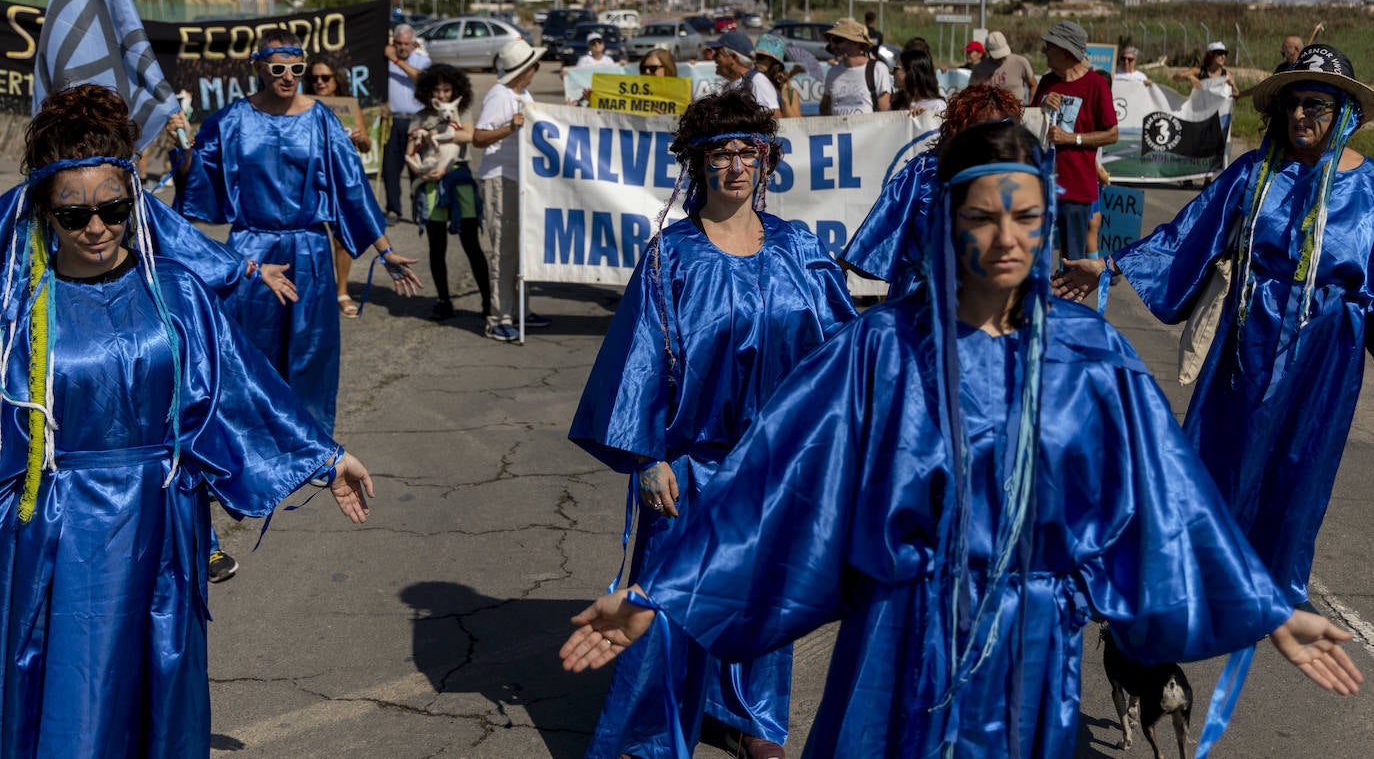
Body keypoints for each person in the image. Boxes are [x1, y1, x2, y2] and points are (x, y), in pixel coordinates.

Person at [560, 120, 1362, 757]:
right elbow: (774, 487)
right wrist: (658, 593)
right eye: (983, 216)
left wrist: (1267, 610)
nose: (1008, 238)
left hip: (1030, 644)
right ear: (949, 221)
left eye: (1026, 216)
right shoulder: (879, 351)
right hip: (899, 632)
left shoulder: (1091, 357)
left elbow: (1168, 504)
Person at [0, 84, 377, 757]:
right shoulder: (18, 310)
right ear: (42, 214)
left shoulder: (176, 292)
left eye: (114, 209)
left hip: (164, 523)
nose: (96, 228)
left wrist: (324, 457)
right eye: (73, 215)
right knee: (76, 700)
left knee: (160, 690)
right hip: (62, 532)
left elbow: (241, 388)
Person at [570, 90, 856, 759]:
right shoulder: (672, 256)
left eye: (748, 152)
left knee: (762, 597)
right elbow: (635, 363)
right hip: (689, 467)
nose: (736, 166)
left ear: (767, 160)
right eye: (721, 152)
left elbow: (844, 354)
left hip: (772, 465)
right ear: (695, 164)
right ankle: (649, 739)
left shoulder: (798, 249)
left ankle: (754, 719)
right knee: (667, 612)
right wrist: (646, 458)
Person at [1055, 44, 1374, 610]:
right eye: (1293, 103)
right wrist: (1108, 264)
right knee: (1224, 450)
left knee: (1303, 461)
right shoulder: (1254, 173)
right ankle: (1197, 570)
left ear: (1344, 112)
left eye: (1317, 105)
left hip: (1329, 352)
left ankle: (1276, 585)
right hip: (1250, 341)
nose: (1302, 115)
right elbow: (1188, 233)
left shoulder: (1370, 189)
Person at [169, 27, 422, 432]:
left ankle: (308, 441)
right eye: (279, 67)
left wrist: (385, 250)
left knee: (311, 352)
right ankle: (251, 441)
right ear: (259, 67)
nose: (289, 76)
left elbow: (352, 187)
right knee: (250, 349)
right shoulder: (233, 119)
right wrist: (182, 150)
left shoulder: (320, 119)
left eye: (297, 68)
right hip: (252, 246)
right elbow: (197, 175)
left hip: (309, 250)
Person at [841, 82, 1024, 298]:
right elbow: (882, 224)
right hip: (921, 296)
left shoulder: (1017, 178)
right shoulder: (923, 172)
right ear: (964, 126)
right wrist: (839, 268)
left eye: (1005, 127)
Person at [473, 40, 552, 341]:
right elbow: (479, 137)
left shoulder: (522, 93)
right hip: (500, 179)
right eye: (534, 65)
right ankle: (498, 317)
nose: (536, 70)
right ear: (525, 69)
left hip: (520, 181)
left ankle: (520, 311)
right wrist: (509, 127)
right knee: (503, 251)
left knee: (521, 249)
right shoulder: (499, 95)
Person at [403, 64, 491, 322]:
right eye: (437, 89)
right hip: (430, 184)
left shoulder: (462, 110)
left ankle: (488, 299)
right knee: (436, 245)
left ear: (456, 90)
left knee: (471, 243)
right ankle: (443, 300)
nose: (442, 95)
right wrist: (420, 173)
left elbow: (470, 135)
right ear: (427, 91)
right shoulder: (419, 117)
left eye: (447, 89)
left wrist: (434, 134)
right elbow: (410, 150)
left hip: (460, 180)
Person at [1033, 20, 1119, 264]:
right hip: (1040, 185)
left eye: (1048, 46)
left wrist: (1072, 138)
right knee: (1033, 257)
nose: (1043, 51)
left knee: (1071, 260)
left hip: (1076, 188)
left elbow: (1112, 133)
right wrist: (1041, 106)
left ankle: (1068, 302)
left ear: (1065, 51)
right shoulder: (1047, 82)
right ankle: (1037, 302)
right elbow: (1028, 125)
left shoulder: (1096, 85)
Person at [305, 59, 372, 319]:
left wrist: (360, 138)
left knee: (341, 238)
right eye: (314, 78)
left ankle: (342, 290)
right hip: (309, 178)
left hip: (339, 177)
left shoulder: (348, 106)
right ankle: (312, 292)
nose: (320, 83)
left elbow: (366, 146)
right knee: (308, 236)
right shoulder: (301, 105)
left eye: (325, 78)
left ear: (336, 80)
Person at [380, 24, 432, 222]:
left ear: (413, 44)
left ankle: (419, 209)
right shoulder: (385, 62)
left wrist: (396, 60)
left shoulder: (422, 60)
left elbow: (423, 79)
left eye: (406, 44)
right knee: (390, 169)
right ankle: (393, 208)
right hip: (393, 119)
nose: (402, 48)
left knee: (416, 168)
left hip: (416, 121)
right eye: (398, 43)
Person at [819, 18, 891, 116]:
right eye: (831, 41)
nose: (832, 46)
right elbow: (824, 107)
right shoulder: (832, 72)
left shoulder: (877, 69)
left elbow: (886, 114)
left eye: (837, 40)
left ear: (855, 42)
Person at [708, 30, 779, 113]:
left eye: (718, 54)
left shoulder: (757, 81)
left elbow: (774, 117)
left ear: (733, 57)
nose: (714, 58)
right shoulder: (730, 85)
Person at [970, 31, 1039, 103]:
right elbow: (971, 93)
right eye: (997, 56)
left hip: (1016, 112)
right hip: (988, 112)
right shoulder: (978, 69)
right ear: (988, 51)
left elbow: (1033, 85)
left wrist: (1032, 106)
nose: (1001, 58)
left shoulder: (1020, 62)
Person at [753, 32, 802, 118]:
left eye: (760, 58)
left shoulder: (790, 92)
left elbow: (798, 125)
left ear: (774, 62)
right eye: (754, 57)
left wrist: (785, 101)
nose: (755, 61)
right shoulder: (750, 82)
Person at [890, 40, 946, 116]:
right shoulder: (897, 103)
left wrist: (925, 118)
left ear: (911, 73)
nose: (892, 73)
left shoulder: (937, 106)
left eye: (896, 68)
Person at [1174, 40, 1239, 99]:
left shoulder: (1226, 74)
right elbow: (1175, 77)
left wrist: (1233, 88)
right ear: (1210, 54)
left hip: (1219, 111)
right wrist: (1189, 77)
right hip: (1200, 110)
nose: (1223, 56)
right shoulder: (1199, 71)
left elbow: (1236, 93)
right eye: (1220, 53)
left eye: (1225, 53)